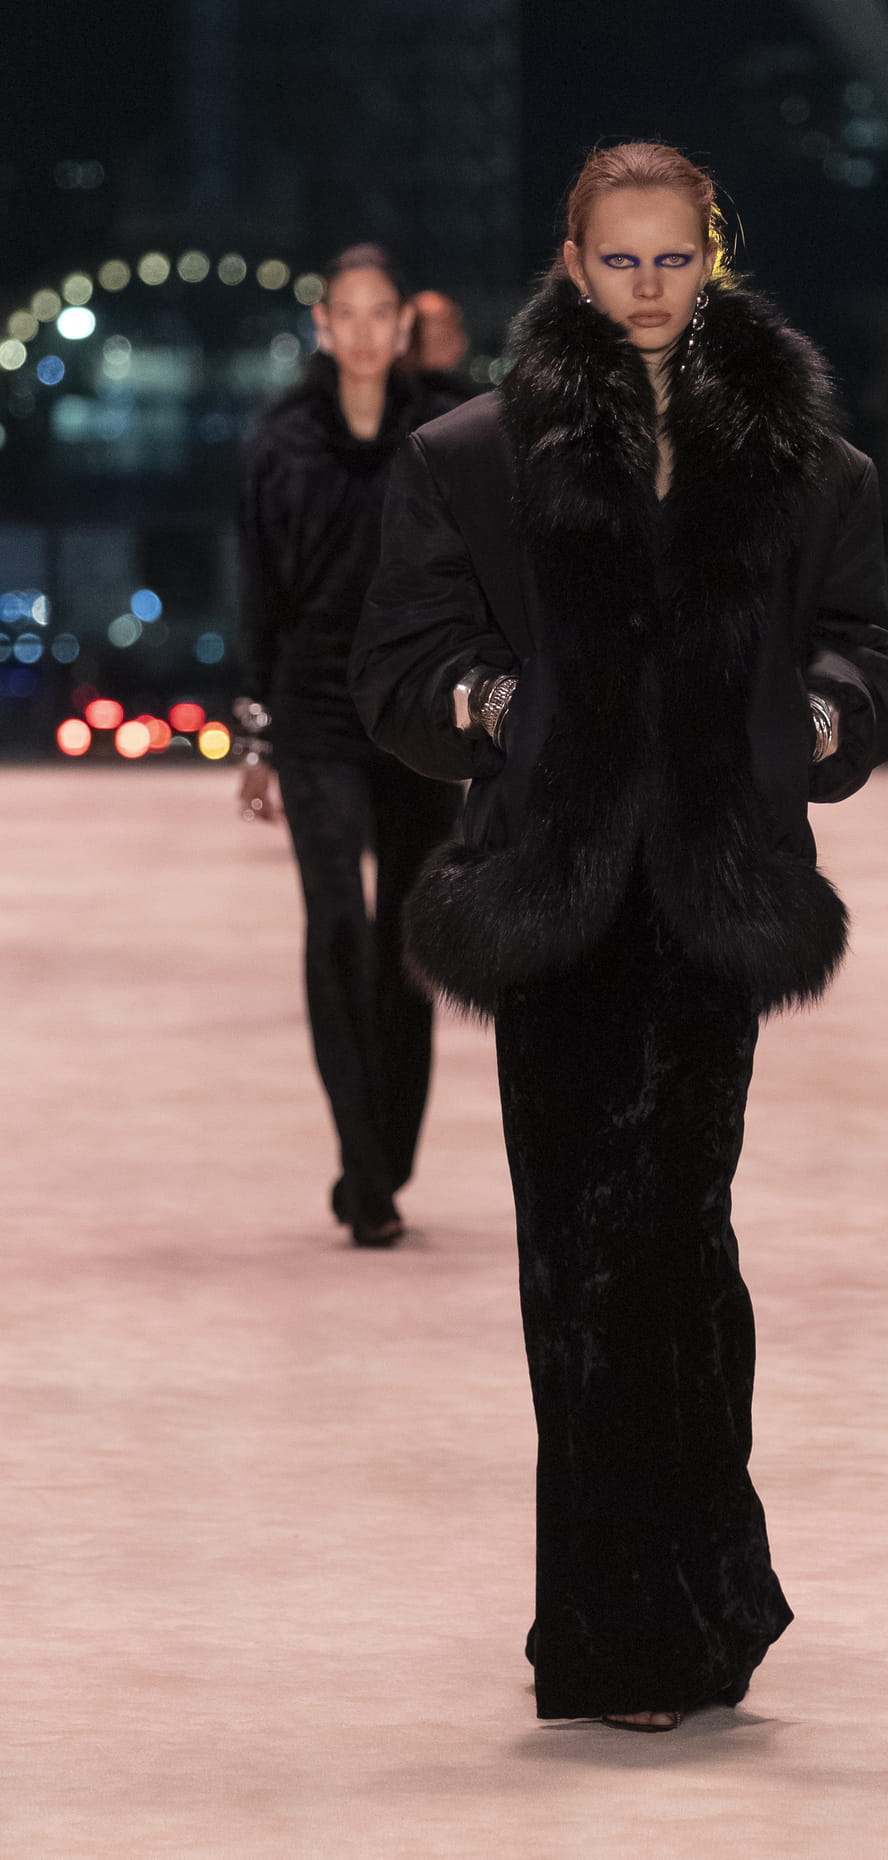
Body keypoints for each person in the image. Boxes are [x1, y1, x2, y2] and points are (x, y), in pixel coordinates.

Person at [351, 145, 888, 1724]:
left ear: (712, 255)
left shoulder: (808, 467)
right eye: (621, 260)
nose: (650, 288)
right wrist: (499, 706)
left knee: (674, 1239)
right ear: (573, 262)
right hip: (556, 897)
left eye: (674, 259)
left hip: (716, 896)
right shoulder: (475, 458)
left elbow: (866, 644)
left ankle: (694, 1597)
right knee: (580, 1258)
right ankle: (629, 1630)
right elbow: (398, 664)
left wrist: (814, 720)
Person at [234, 245, 464, 1248]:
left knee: (410, 934)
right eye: (348, 314)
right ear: (322, 325)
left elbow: (483, 577)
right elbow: (259, 592)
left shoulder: (449, 430)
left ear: (403, 326)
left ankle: (387, 1155)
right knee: (334, 924)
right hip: (316, 707)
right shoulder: (279, 441)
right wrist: (256, 738)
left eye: (383, 314)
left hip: (417, 704)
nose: (366, 332)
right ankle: (365, 1169)